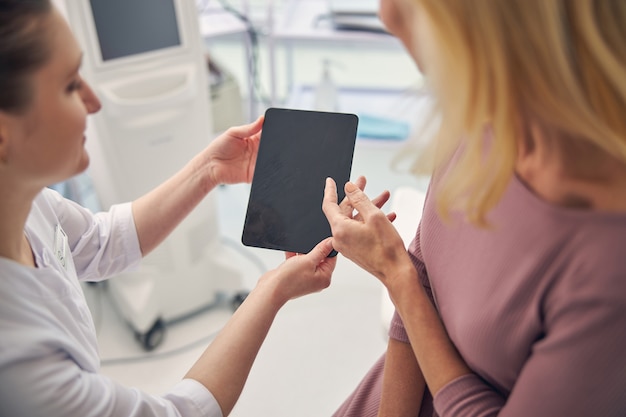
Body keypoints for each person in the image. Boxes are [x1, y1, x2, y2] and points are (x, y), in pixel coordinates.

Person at [0, 1, 339, 416]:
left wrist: (209, 170)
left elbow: (100, 242)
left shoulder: (27, 201)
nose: (94, 101)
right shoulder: (16, 362)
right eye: (71, 85)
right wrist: (273, 289)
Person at [322, 0, 626, 416]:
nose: (387, 16)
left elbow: (410, 279)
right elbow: (423, 267)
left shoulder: (609, 263)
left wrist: (396, 276)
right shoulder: (483, 115)